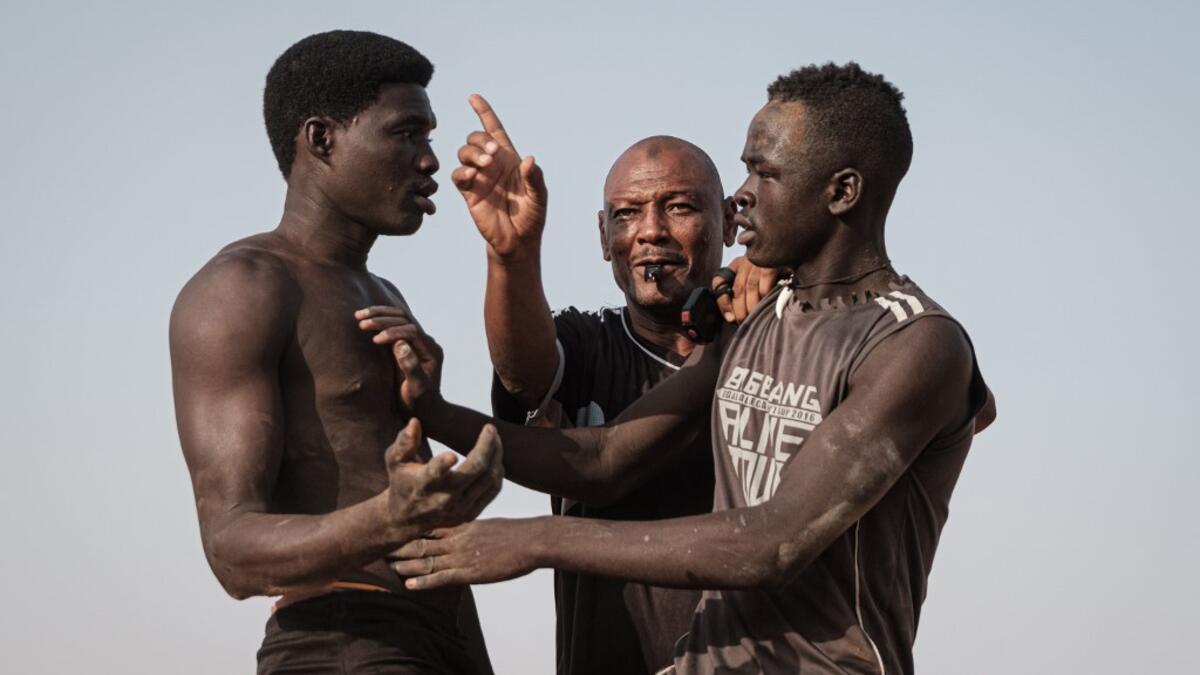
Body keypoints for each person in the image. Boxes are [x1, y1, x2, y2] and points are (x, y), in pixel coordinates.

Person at [372, 62, 996, 674]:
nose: (743, 193)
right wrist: (434, 411)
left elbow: (771, 545)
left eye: (763, 173)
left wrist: (531, 540)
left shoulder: (915, 342)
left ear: (841, 192)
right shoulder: (749, 325)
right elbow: (600, 461)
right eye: (745, 169)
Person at [169, 31, 503, 675]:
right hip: (340, 640)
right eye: (407, 133)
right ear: (321, 139)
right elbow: (230, 549)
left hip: (437, 638)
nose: (430, 160)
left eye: (429, 136)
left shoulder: (381, 292)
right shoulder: (240, 289)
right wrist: (390, 518)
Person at [452, 94, 776, 675]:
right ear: (604, 238)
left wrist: (786, 270)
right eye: (627, 215)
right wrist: (512, 254)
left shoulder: (780, 336)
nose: (651, 232)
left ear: (728, 221)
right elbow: (524, 373)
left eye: (678, 207)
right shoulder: (583, 345)